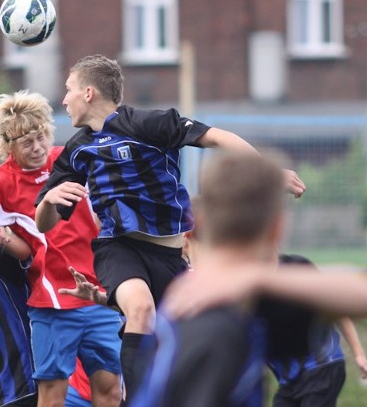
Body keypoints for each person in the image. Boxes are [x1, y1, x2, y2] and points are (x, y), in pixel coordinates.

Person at [34, 54, 307, 401]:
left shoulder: (149, 124)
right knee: (140, 308)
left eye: (68, 89)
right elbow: (45, 224)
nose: (64, 99)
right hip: (117, 248)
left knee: (198, 330)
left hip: (170, 253)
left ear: (89, 93)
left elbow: (215, 137)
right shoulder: (77, 150)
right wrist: (47, 201)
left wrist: (268, 174)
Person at [131, 150, 367, 406]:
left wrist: (257, 280)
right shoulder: (212, 325)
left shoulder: (241, 302)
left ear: (199, 220)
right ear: (278, 227)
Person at [0, 90, 123, 406]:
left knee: (110, 390)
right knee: (51, 396)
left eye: (41, 137)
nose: (38, 148)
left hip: (98, 295)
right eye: (26, 143)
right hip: (52, 304)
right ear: (8, 146)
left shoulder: (72, 160)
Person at [267, 254, 367, 407]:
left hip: (322, 366)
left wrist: (359, 354)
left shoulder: (296, 268)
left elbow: (335, 306)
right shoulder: (240, 282)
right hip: (289, 379)